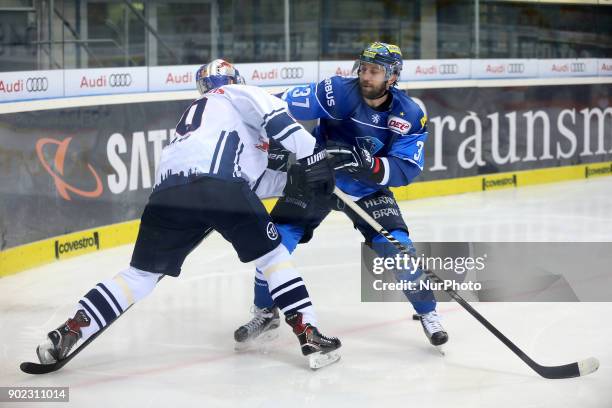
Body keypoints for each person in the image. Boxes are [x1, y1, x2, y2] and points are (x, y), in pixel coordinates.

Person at [35, 59, 341, 370]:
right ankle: (309, 332)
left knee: (140, 275)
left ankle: (69, 331)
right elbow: (279, 123)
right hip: (219, 187)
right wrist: (313, 158)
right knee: (273, 257)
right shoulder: (240, 93)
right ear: (236, 79)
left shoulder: (199, 115)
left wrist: (292, 180)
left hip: (167, 196)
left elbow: (251, 181)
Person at [234, 42, 449, 350]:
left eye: (375, 71)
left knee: (399, 249)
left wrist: (369, 165)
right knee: (274, 244)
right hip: (318, 178)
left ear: (392, 77)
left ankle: (428, 312)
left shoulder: (408, 113)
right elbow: (278, 107)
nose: (366, 76)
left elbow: (407, 168)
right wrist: (272, 141)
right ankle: (265, 311)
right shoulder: (337, 91)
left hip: (366, 189)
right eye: (363, 68)